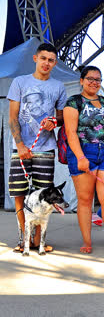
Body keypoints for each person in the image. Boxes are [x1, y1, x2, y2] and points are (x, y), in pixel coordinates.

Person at [8, 42, 67, 253]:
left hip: (46, 148)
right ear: (35, 59)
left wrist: (54, 121)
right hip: (22, 149)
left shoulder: (58, 87)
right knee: (19, 193)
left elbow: (61, 116)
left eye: (51, 60)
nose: (47, 63)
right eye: (43, 58)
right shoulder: (19, 82)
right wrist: (20, 145)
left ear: (55, 63)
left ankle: (37, 241)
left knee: (45, 195)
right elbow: (12, 116)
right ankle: (22, 239)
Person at [64, 66, 104, 254]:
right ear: (81, 80)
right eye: (90, 78)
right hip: (83, 150)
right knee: (86, 199)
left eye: (98, 79)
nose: (94, 82)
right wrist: (80, 157)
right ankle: (87, 241)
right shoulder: (74, 102)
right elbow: (70, 132)